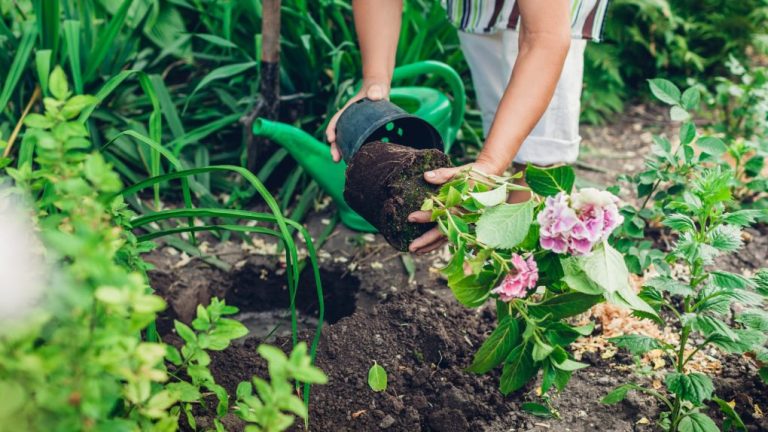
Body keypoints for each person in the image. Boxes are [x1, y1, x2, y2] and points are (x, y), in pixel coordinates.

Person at [326, 0, 609, 254]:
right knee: (503, 117)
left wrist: (489, 165)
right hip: (480, 10)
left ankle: (525, 272)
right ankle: (504, 259)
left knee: (540, 153)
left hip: (549, 19)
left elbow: (545, 38)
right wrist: (375, 79)